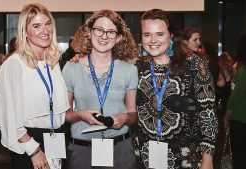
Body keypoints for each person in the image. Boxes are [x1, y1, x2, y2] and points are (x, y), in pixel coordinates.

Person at [132, 9, 217, 169]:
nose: (153, 40)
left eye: (159, 34)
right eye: (147, 34)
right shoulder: (137, 67)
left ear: (171, 35)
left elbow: (208, 114)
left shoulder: (195, 65)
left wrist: (208, 159)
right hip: (145, 156)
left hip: (186, 158)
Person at [0, 3, 69, 169]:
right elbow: (9, 115)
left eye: (48, 24)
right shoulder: (14, 64)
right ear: (25, 32)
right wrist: (33, 150)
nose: (45, 31)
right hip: (30, 142)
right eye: (36, 26)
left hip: (55, 138)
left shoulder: (52, 63)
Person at [62, 9, 139, 169]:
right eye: (99, 30)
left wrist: (124, 118)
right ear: (89, 33)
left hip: (120, 149)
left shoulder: (129, 70)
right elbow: (66, 115)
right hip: (82, 150)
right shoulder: (71, 68)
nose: (104, 36)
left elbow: (133, 114)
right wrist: (80, 115)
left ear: (118, 38)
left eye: (111, 32)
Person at [223, 31, 246, 169]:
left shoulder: (243, 70)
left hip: (240, 121)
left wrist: (226, 117)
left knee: (239, 159)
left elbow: (235, 98)